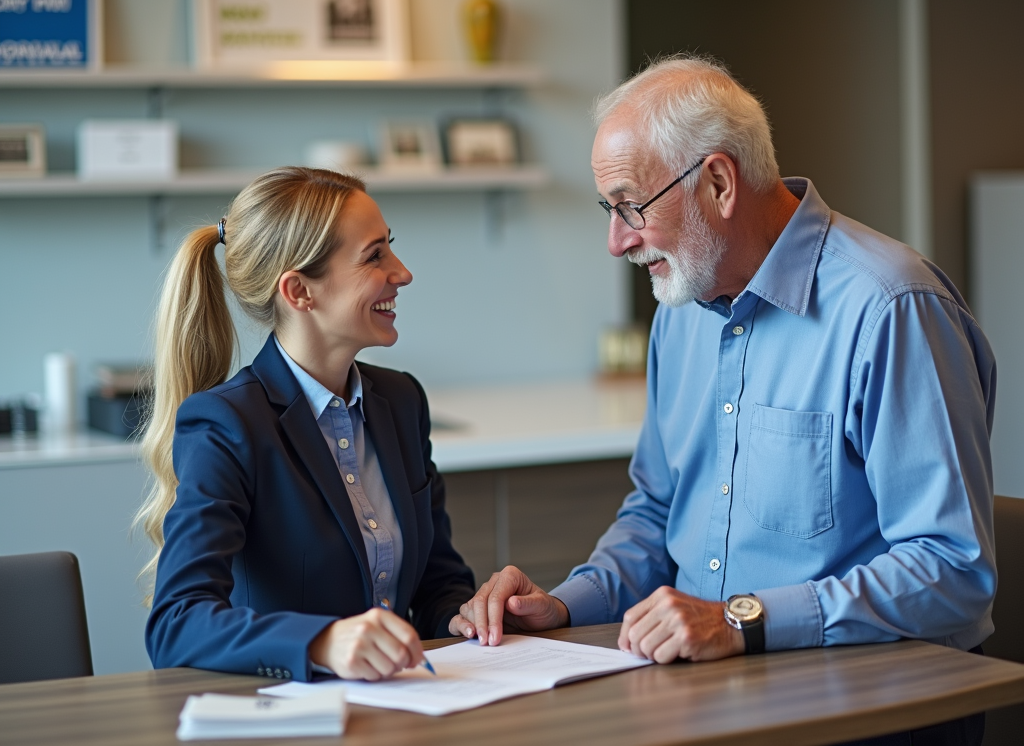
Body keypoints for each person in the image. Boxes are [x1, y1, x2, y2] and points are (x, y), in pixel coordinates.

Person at [450, 57, 996, 743]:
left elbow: (952, 568)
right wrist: (562, 604)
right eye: (608, 209)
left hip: (873, 710)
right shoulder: (680, 309)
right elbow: (657, 513)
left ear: (717, 181)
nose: (616, 240)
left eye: (630, 205)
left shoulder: (891, 308)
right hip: (713, 697)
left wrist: (742, 619)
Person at [137, 166, 475, 682]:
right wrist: (320, 643)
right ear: (299, 292)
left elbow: (435, 583)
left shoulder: (401, 401)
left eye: (391, 247)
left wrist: (466, 616)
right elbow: (176, 625)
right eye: (374, 256)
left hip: (401, 710)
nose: (402, 272)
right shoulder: (228, 424)